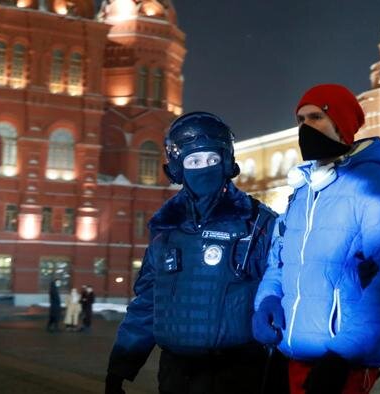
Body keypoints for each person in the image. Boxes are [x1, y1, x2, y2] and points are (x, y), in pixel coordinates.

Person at [105, 112, 287, 394]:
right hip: (177, 376)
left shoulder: (257, 224)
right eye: (194, 161)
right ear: (179, 168)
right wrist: (121, 367)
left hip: (240, 375)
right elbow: (147, 303)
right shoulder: (166, 228)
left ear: (226, 161)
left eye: (212, 159)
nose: (204, 168)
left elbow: (282, 290)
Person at [252, 84, 380, 394]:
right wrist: (267, 300)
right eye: (300, 120)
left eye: (315, 117)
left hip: (343, 366)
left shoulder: (376, 187)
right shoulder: (302, 191)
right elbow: (278, 261)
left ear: (342, 124)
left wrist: (342, 356)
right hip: (290, 356)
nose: (305, 128)